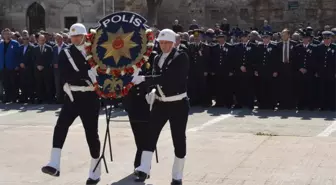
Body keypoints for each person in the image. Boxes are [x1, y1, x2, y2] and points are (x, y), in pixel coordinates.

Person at [41, 23, 101, 185]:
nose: (74, 39)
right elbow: (64, 73)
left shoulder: (94, 52)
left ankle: (95, 170)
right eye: (72, 36)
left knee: (91, 134)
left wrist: (95, 76)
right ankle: (54, 163)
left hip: (90, 96)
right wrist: (77, 79)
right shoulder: (66, 52)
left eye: (78, 36)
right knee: (60, 126)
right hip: (72, 95)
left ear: (84, 37)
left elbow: (102, 71)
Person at [132, 29, 190, 185]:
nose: (164, 46)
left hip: (178, 104)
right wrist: (151, 90)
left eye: (167, 43)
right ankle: (144, 168)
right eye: (161, 43)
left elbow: (170, 79)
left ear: (173, 43)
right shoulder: (157, 58)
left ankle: (177, 175)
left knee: (178, 138)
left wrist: (145, 79)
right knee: (150, 135)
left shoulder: (181, 57)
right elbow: (159, 79)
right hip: (161, 103)